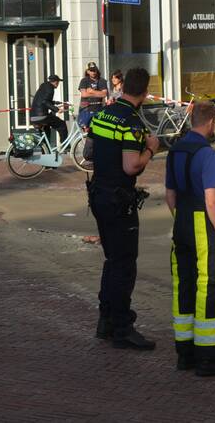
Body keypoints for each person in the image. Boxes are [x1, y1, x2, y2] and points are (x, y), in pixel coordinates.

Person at [87, 67, 160, 350]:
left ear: (123, 86)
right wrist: (151, 148)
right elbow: (132, 165)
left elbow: (88, 153)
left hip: (98, 194)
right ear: (144, 91)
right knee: (124, 264)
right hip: (119, 200)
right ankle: (122, 328)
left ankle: (105, 320)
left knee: (111, 259)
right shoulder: (131, 122)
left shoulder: (103, 114)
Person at [165, 100, 215, 377]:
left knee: (184, 284)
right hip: (203, 225)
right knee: (210, 284)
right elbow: (211, 199)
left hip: (181, 222)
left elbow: (170, 194)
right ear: (211, 122)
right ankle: (208, 358)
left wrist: (180, 218)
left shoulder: (175, 150)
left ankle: (185, 353)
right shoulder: (206, 154)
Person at [31, 73, 66, 143]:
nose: (58, 84)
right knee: (62, 125)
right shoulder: (50, 88)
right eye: (58, 82)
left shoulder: (43, 86)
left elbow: (43, 100)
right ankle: (65, 147)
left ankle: (46, 151)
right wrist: (57, 109)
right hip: (41, 116)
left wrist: (56, 103)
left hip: (33, 116)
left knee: (47, 130)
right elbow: (45, 102)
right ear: (55, 82)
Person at [78, 62, 109, 128]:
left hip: (98, 108)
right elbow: (84, 94)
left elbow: (104, 94)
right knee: (85, 130)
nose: (93, 72)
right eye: (91, 70)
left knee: (97, 129)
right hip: (85, 108)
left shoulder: (102, 81)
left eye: (95, 70)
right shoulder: (84, 81)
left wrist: (92, 91)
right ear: (88, 71)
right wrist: (98, 93)